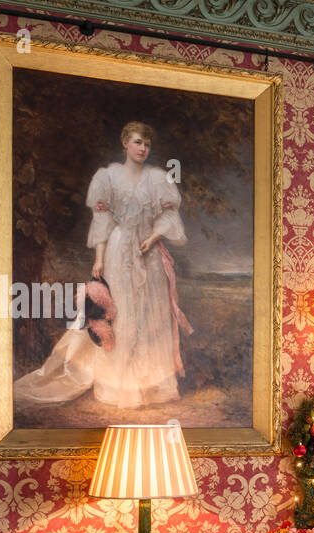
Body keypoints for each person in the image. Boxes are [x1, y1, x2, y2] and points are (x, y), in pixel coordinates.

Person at [14, 121, 193, 410]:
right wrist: (99, 258)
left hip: (149, 252)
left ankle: (150, 387)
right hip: (119, 249)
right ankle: (119, 386)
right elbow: (103, 220)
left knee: (151, 315)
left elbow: (169, 215)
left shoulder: (159, 178)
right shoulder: (107, 177)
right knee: (120, 317)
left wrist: (153, 237)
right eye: (137, 142)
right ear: (125, 143)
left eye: (147, 144)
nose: (142, 148)